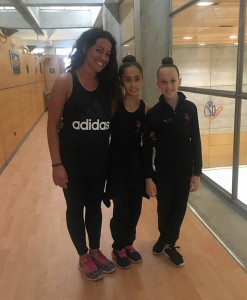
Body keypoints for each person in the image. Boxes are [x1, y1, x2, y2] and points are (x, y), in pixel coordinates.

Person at [47, 28, 122, 281]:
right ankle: (82, 256)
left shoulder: (109, 87)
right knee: (75, 208)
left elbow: (113, 123)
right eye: (98, 50)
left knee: (95, 208)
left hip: (98, 164)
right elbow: (52, 125)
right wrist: (57, 164)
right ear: (85, 49)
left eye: (108, 53)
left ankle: (95, 250)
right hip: (72, 165)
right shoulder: (65, 82)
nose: (103, 57)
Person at [144, 57, 202, 267]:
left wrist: (197, 172)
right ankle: (163, 236)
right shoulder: (154, 113)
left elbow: (196, 139)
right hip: (163, 172)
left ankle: (170, 244)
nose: (168, 86)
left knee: (179, 209)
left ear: (179, 81)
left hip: (185, 171)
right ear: (158, 84)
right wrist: (149, 175)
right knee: (163, 209)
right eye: (164, 82)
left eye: (172, 81)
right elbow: (147, 146)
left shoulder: (191, 109)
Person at [104, 55, 150, 269]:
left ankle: (128, 243)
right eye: (128, 79)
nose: (133, 84)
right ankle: (118, 246)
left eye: (137, 79)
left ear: (142, 80)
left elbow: (149, 143)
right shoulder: (114, 107)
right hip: (118, 166)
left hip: (136, 166)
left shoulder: (146, 109)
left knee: (135, 208)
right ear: (122, 81)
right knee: (120, 209)